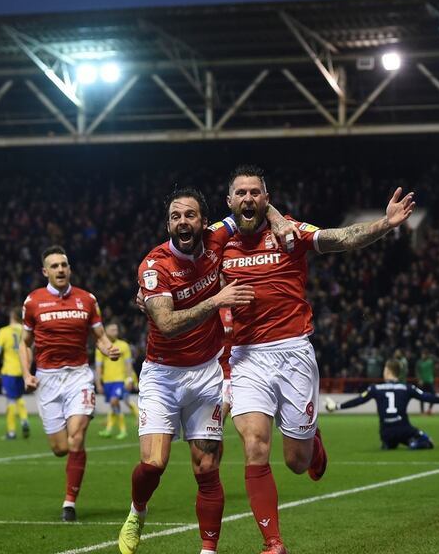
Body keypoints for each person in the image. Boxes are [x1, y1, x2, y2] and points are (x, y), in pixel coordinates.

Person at [221, 165, 414, 554]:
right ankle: (273, 543)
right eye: (240, 192)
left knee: (296, 461)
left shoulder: (290, 233)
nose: (248, 198)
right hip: (246, 358)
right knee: (255, 445)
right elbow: (181, 258)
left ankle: (313, 441)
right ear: (230, 201)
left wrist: (386, 223)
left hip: (293, 353)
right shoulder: (216, 243)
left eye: (255, 192)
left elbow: (340, 238)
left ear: (266, 198)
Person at [121, 187, 281, 554]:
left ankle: (208, 550)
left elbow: (251, 206)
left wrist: (280, 219)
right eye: (175, 217)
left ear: (203, 221)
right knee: (154, 464)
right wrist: (217, 300)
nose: (182, 222)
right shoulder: (154, 266)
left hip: (206, 374)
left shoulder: (217, 238)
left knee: (207, 469)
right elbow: (167, 323)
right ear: (168, 224)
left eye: (189, 215)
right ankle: (137, 510)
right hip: (162, 376)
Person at [20, 245, 120, 522]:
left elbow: (99, 336)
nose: (60, 270)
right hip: (48, 379)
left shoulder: (87, 299)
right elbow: (25, 343)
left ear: (70, 268)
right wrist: (26, 374)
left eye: (64, 265)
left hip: (79, 377)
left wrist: (108, 348)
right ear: (45, 272)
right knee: (60, 448)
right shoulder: (33, 302)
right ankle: (70, 485)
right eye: (54, 266)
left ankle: (69, 503)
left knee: (77, 439)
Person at [324, 359, 439, 449]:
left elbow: (359, 400)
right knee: (428, 441)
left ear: (388, 371)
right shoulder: (408, 388)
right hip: (404, 429)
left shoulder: (375, 388)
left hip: (385, 432)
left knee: (390, 440)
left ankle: (389, 444)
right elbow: (427, 397)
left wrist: (337, 406)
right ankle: (414, 444)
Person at [0, 309, 30, 439]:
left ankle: (11, 432)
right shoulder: (25, 331)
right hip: (23, 370)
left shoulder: (4, 331)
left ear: (12, 316)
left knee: (11, 400)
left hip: (9, 371)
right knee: (19, 397)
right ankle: (24, 420)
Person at [94, 322, 136, 440]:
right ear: (105, 331)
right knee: (113, 406)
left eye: (116, 329)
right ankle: (109, 429)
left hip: (120, 380)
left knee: (114, 402)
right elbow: (98, 367)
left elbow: (128, 365)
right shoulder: (101, 347)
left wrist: (129, 379)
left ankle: (123, 430)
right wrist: (98, 383)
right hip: (107, 381)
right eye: (112, 329)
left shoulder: (124, 346)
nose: (115, 331)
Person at [415, 349, 437, 414]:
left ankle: (429, 409)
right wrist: (419, 379)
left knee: (434, 396)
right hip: (422, 382)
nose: (423, 356)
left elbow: (437, 360)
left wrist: (431, 356)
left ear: (427, 355)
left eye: (424, 354)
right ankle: (422, 411)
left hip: (430, 381)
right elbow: (417, 372)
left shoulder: (431, 361)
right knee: (421, 396)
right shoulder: (419, 362)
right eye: (422, 354)